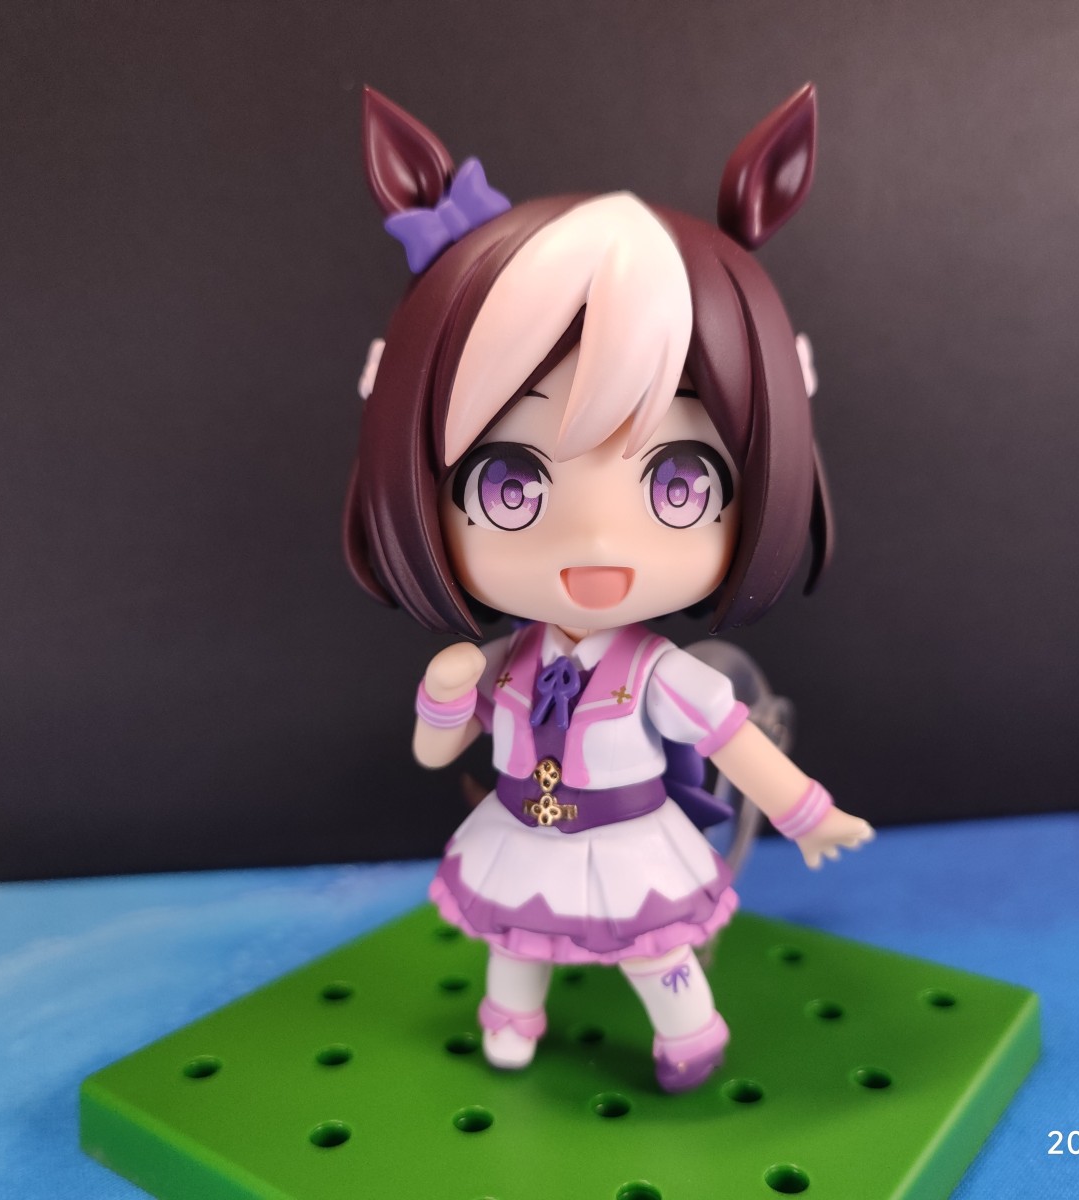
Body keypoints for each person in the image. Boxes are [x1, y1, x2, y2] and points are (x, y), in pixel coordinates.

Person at [344, 84, 873, 1092]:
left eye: (679, 484)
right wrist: (446, 696)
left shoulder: (660, 674)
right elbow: (431, 753)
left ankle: (689, 1034)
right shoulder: (505, 662)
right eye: (511, 484)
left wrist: (809, 816)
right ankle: (512, 1018)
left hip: (630, 842)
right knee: (515, 940)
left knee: (654, 952)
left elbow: (736, 744)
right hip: (522, 834)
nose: (595, 542)